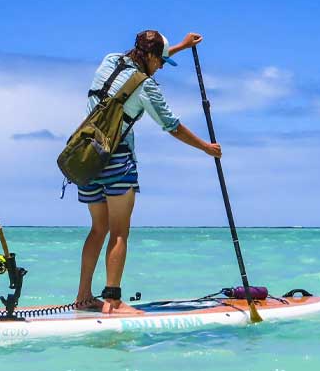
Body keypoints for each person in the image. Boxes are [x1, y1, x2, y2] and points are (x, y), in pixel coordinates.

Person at [75, 30, 222, 314]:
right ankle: (113, 302)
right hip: (117, 161)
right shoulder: (146, 87)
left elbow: (146, 57)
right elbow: (172, 126)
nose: (162, 67)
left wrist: (180, 46)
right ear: (151, 57)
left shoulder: (110, 61)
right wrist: (205, 147)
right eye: (161, 62)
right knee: (119, 232)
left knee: (98, 229)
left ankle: (83, 297)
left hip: (86, 158)